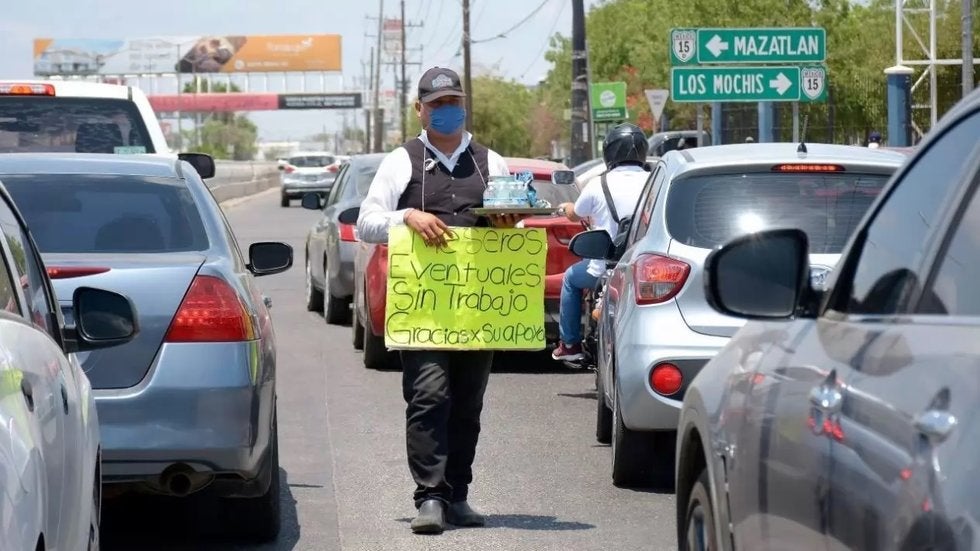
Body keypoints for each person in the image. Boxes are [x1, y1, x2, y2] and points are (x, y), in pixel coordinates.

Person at [356, 66, 520, 535]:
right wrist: (407, 216)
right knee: (429, 396)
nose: (447, 111)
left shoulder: (492, 163)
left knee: (468, 403)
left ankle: (459, 496)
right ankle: (429, 497)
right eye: (437, 104)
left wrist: (508, 224)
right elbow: (366, 223)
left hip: (478, 307)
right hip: (422, 306)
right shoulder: (401, 161)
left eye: (454, 102)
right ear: (420, 110)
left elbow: (514, 224)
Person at [552, 123, 651, 361]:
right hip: (644, 267)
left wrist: (566, 208)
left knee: (570, 279)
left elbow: (576, 213)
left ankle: (570, 345)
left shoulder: (599, 183)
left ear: (610, 152)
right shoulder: (653, 181)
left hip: (603, 268)